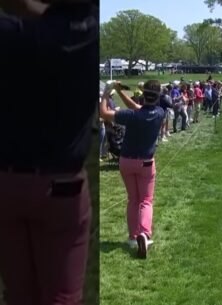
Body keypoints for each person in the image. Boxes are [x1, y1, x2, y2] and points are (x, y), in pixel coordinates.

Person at [0, 0, 98, 304]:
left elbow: (26, 15)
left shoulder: (12, 34)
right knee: (61, 297)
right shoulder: (89, 37)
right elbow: (61, 24)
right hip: (63, 186)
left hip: (7, 180)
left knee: (18, 295)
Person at [100, 80, 164, 259]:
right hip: (146, 163)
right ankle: (144, 233)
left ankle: (132, 236)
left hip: (126, 162)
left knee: (133, 199)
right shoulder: (160, 113)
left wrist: (108, 91)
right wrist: (119, 92)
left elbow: (104, 113)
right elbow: (139, 107)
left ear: (143, 94)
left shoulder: (131, 116)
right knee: (146, 200)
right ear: (157, 97)